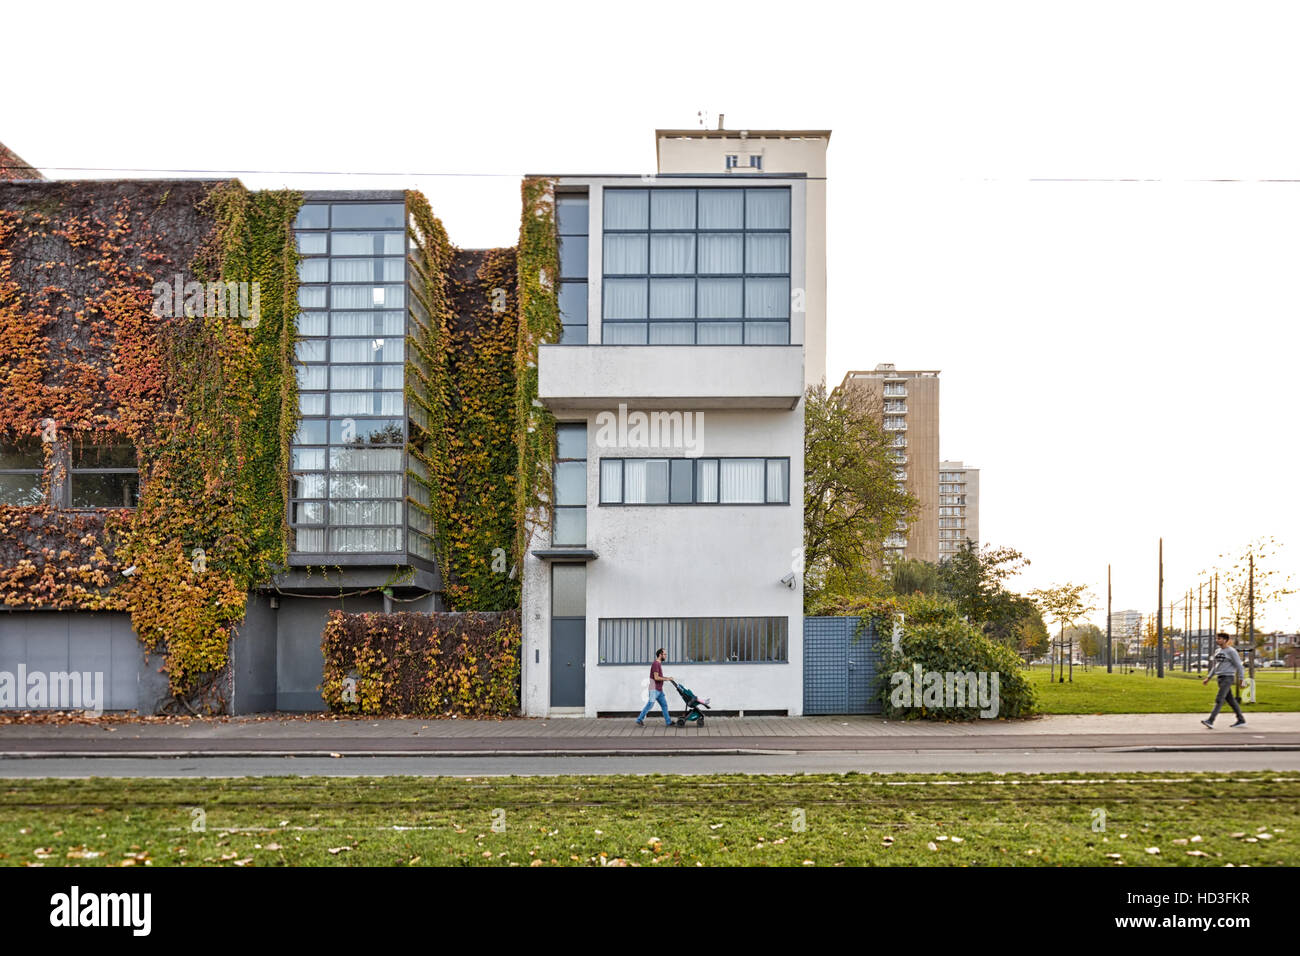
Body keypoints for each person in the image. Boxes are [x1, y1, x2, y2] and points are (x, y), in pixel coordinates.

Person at [1201, 633, 1246, 728]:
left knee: (1219, 699)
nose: (1217, 640)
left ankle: (1210, 720)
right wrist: (1208, 678)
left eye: (1219, 639)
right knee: (1231, 700)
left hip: (1228, 678)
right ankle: (1241, 719)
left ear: (1225, 640)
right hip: (1220, 678)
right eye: (1217, 638)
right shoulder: (1218, 651)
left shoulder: (1232, 651)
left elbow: (1239, 666)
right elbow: (1216, 666)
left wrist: (1242, 680)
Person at [635, 648, 675, 727]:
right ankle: (639, 719)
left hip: (659, 690)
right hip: (654, 689)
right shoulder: (656, 664)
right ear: (660, 655)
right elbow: (656, 677)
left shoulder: (658, 664)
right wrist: (667, 679)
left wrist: (666, 678)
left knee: (664, 705)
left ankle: (668, 722)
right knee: (650, 704)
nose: (666, 656)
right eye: (664, 654)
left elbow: (659, 677)